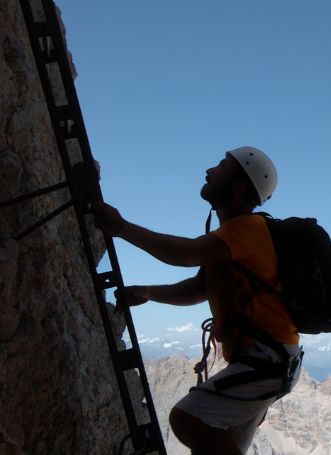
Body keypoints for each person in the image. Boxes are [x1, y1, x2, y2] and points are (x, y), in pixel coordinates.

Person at [92, 146, 301, 455]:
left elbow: (186, 254)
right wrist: (149, 293)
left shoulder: (248, 230)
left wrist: (121, 228)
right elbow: (198, 288)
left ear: (240, 185)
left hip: (267, 360)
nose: (209, 171)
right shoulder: (233, 237)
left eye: (220, 166)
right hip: (270, 361)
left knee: (187, 419)